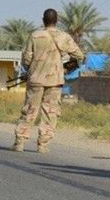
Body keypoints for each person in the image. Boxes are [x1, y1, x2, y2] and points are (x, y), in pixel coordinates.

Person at [12, 8, 83, 153]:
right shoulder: (64, 37)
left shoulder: (35, 36)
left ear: (43, 20)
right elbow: (79, 56)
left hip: (35, 80)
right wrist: (65, 69)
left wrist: (32, 68)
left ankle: (20, 142)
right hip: (55, 81)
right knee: (50, 113)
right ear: (56, 21)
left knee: (29, 110)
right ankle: (43, 145)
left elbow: (26, 59)